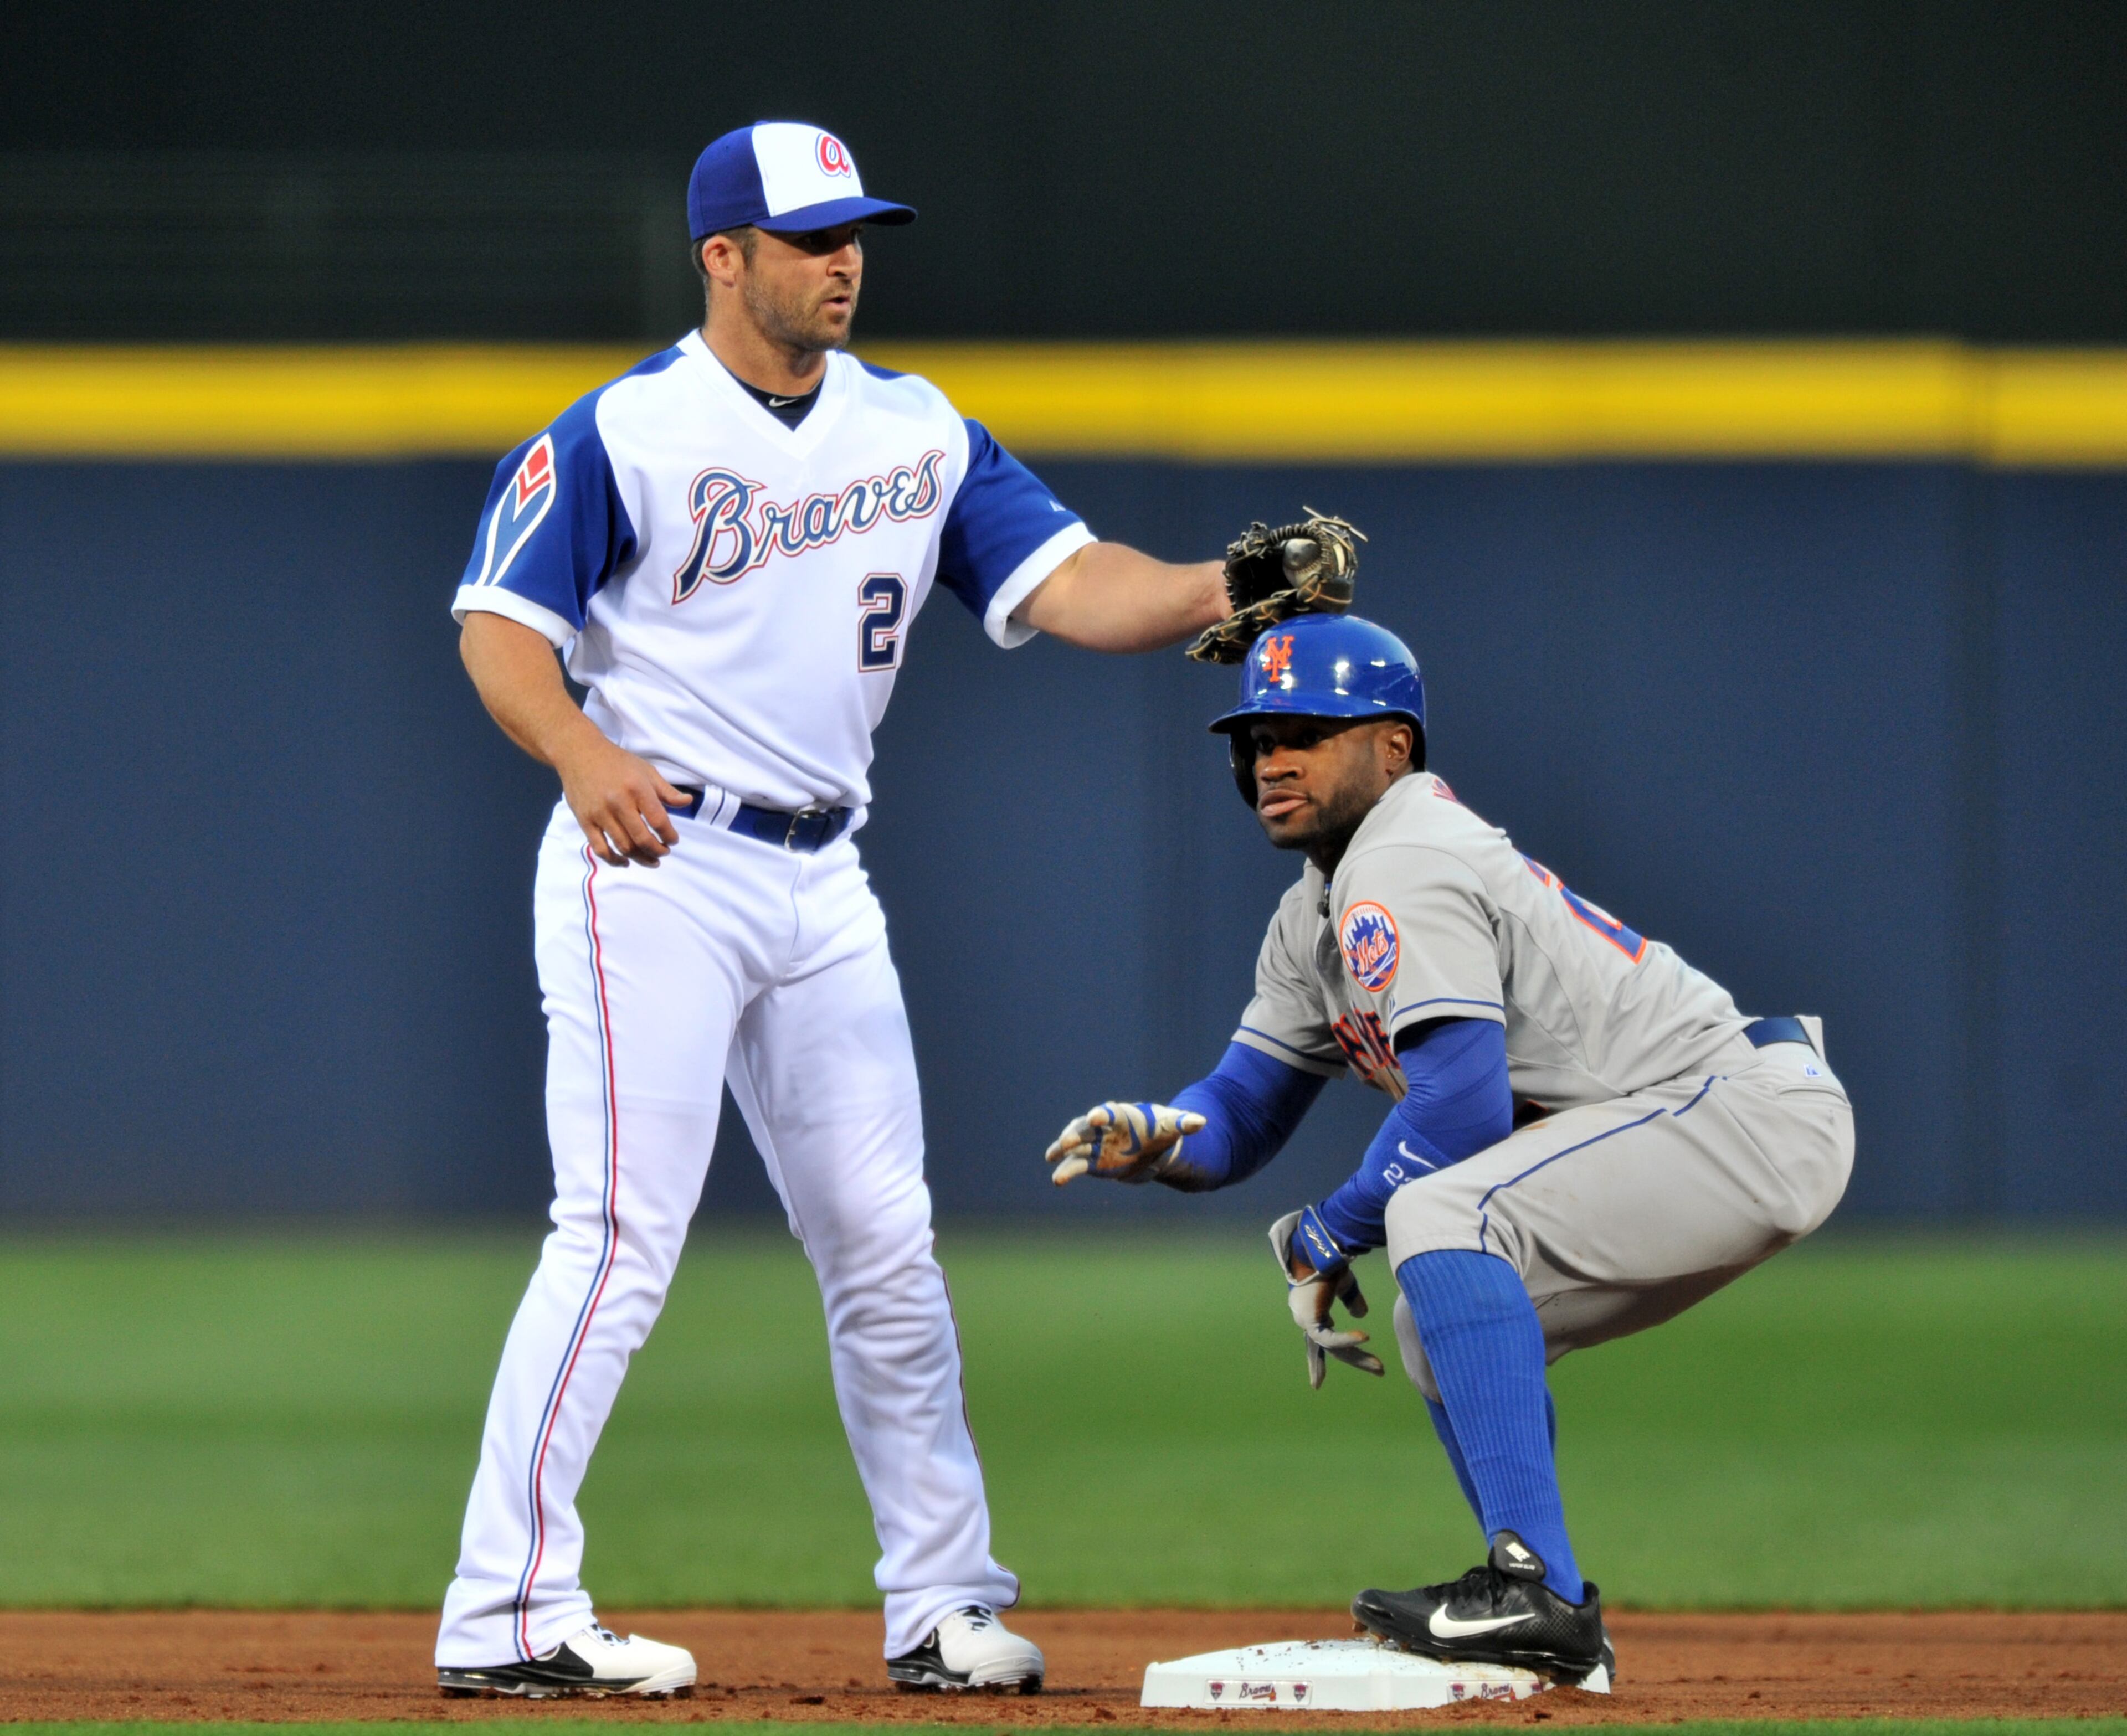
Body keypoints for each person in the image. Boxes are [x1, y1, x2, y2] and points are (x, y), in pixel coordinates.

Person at [436, 120, 1239, 1699]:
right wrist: (585, 749)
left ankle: (942, 1605)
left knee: (886, 1246)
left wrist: (1228, 584)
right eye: (809, 238)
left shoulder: (915, 430)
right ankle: (508, 1615)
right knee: (615, 1240)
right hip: (654, 863)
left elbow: (1079, 585)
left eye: (856, 231)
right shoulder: (628, 431)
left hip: (825, 877)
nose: (845, 259)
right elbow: (496, 627)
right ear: (722, 257)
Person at [1046, 611, 1854, 1689]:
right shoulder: (1313, 912)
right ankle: (1554, 1614)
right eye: (1255, 736)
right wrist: (1167, 1137)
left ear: (1394, 746)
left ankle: (1535, 1590)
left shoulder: (1405, 855)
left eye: (1305, 730)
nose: (1270, 757)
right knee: (1431, 1311)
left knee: (1443, 1211)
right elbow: (1241, 1107)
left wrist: (1329, 1231)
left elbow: (1461, 1111)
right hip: (1705, 1117)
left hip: (1735, 1107)